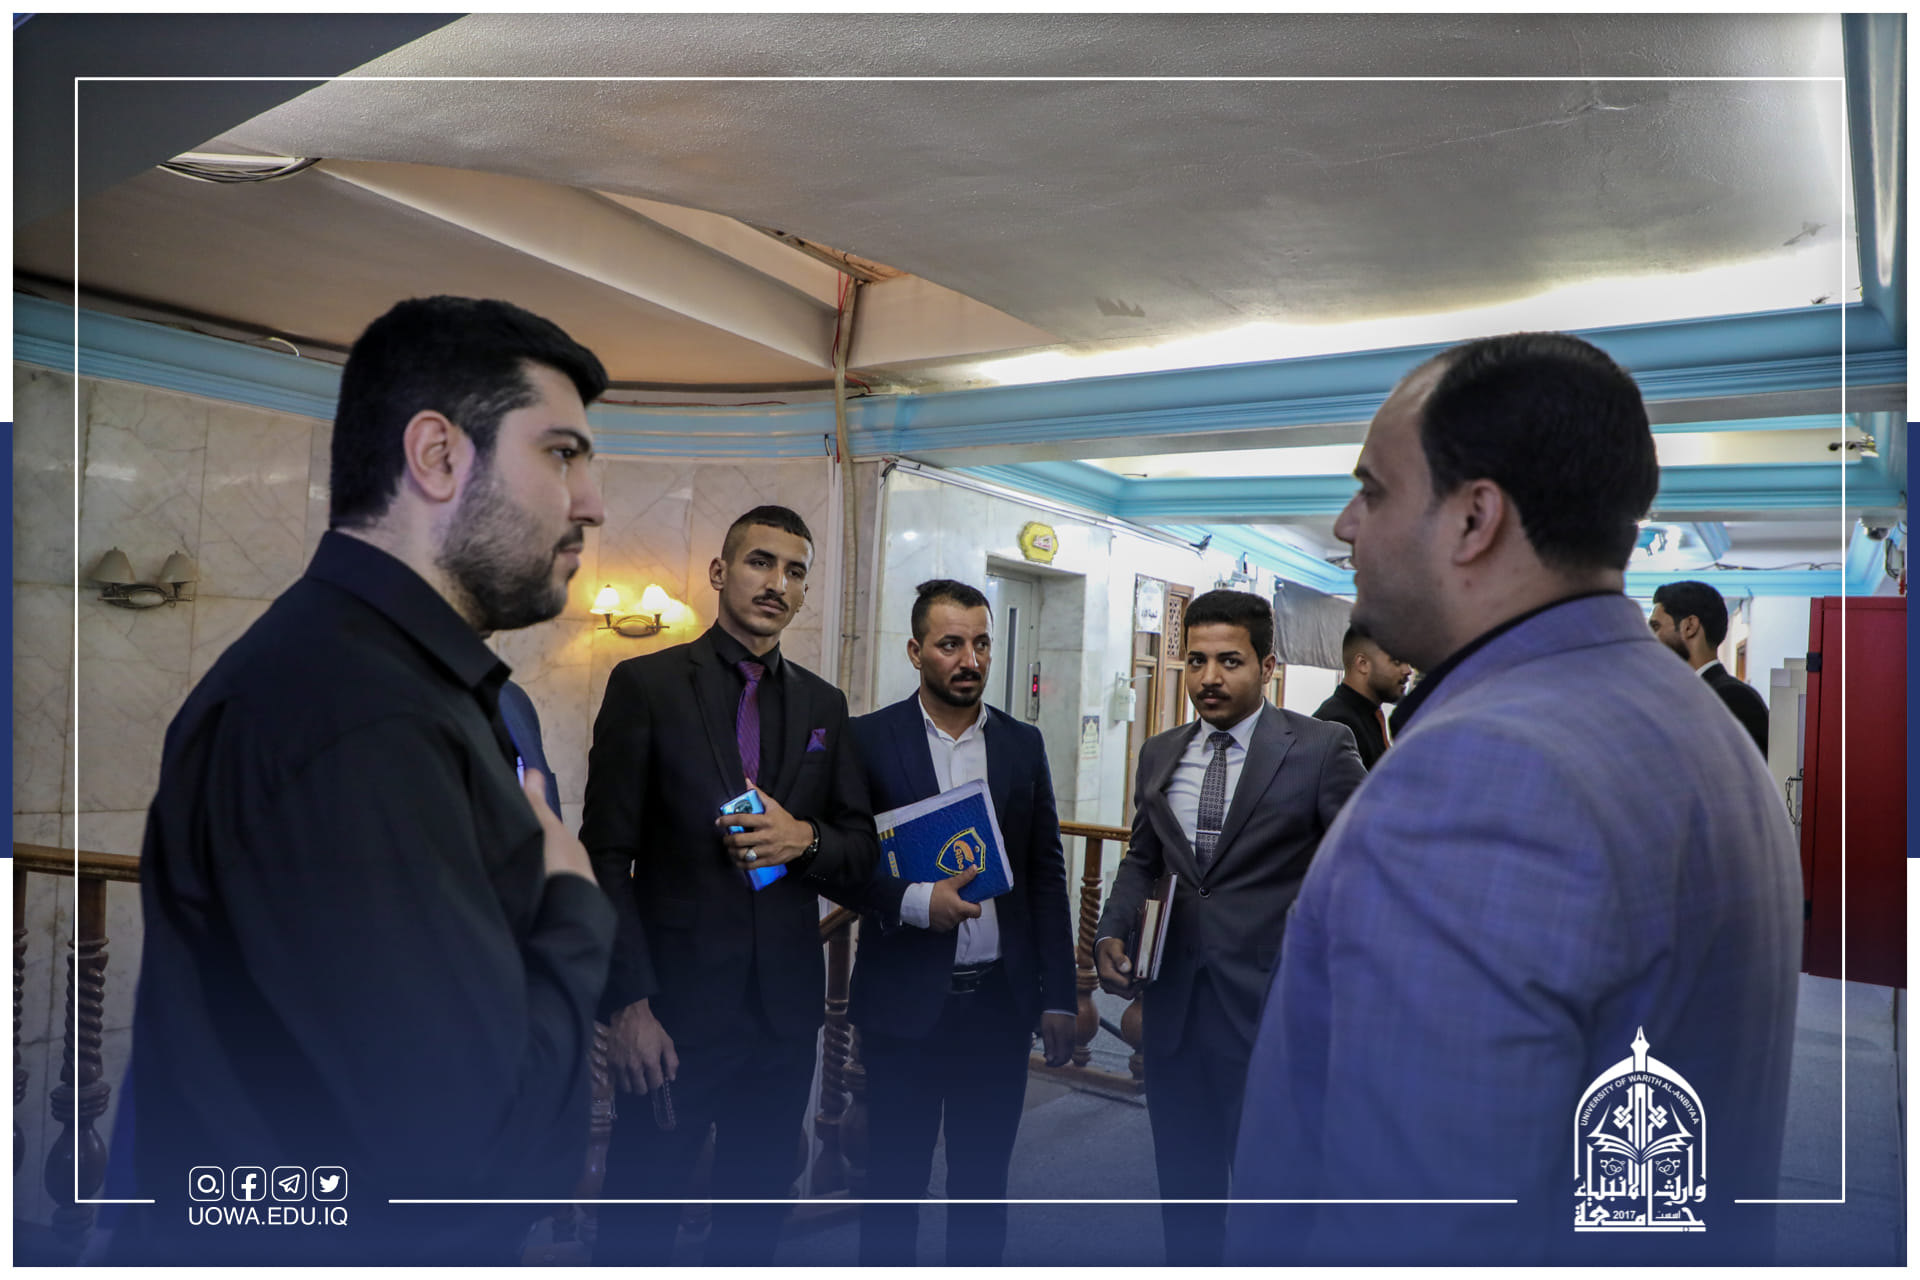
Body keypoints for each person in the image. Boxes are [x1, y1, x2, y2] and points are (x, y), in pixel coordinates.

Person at [1227, 333, 1801, 1266]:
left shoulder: (1478, 773)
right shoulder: (1695, 722)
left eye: (1373, 489)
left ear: (1473, 519)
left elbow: (1418, 1233)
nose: (1345, 524)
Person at [112, 295, 616, 1264]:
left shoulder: (380, 679)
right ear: (437, 456)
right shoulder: (359, 713)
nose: (591, 501)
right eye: (562, 453)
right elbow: (458, 1157)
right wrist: (571, 906)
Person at [581, 504, 879, 1266]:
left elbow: (858, 849)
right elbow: (605, 858)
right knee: (638, 1223)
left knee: (754, 1223)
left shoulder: (823, 705)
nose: (778, 583)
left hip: (783, 1019)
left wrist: (804, 839)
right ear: (719, 572)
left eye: (795, 571)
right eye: (760, 562)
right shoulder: (645, 685)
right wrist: (628, 1005)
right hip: (672, 1015)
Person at [1092, 589, 1365, 1266]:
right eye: (1197, 661)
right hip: (1176, 1016)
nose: (1209, 678)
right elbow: (1142, 859)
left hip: (1274, 1018)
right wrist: (1109, 932)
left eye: (1230, 661)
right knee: (1186, 1202)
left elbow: (1363, 870)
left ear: (1267, 666)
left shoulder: (1321, 748)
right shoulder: (1160, 754)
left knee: (1276, 1210)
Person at [841, 579, 1078, 1266]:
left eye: (981, 644)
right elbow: (847, 867)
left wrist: (1060, 994)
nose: (969, 660)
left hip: (997, 1007)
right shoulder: (868, 740)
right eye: (950, 644)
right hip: (904, 1005)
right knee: (893, 1188)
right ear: (915, 651)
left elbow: (1045, 873)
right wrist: (916, 900)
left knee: (981, 1187)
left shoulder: (1021, 744)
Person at [1649, 579, 1770, 758]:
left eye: (1655, 627)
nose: (1649, 639)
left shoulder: (1732, 698)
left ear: (1689, 626)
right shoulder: (1696, 694)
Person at [1311, 622, 1412, 769]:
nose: (1408, 670)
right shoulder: (1337, 724)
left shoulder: (1370, 716)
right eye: (1397, 662)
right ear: (1362, 664)